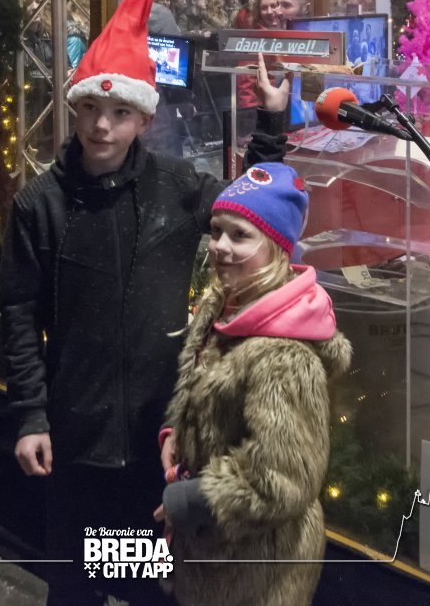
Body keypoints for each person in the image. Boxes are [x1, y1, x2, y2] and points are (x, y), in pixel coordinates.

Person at [0, 0, 292, 606]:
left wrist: (272, 121)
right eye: (89, 109)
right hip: (75, 437)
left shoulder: (176, 187)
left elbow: (251, 207)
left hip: (157, 442)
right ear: (75, 108)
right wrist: (30, 414)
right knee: (74, 587)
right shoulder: (40, 204)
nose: (102, 126)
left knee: (149, 586)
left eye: (120, 114)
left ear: (145, 119)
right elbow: (19, 313)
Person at [157, 164, 352, 606]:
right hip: (215, 556)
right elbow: (200, 390)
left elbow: (280, 481)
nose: (220, 247)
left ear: (277, 248)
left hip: (256, 571)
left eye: (240, 236)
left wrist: (190, 500)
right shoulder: (224, 305)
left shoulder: (284, 357)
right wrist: (177, 433)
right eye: (216, 231)